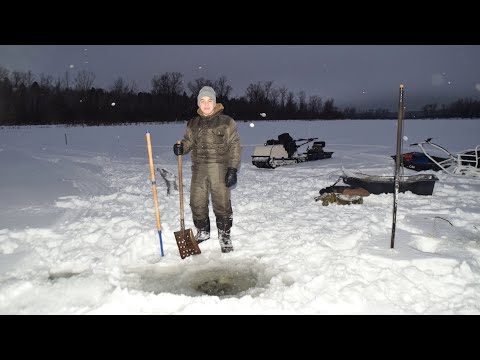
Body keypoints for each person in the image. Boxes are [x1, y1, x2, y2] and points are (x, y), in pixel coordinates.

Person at [173, 86, 241, 253]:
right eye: (202, 101)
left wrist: (232, 169)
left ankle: (224, 234)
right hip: (199, 168)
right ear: (199, 103)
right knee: (196, 201)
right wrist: (181, 147)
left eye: (209, 101)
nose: (206, 104)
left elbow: (235, 146)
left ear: (215, 102)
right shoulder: (193, 123)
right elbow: (188, 142)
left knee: (222, 202)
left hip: (220, 167)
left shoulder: (226, 122)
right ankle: (203, 231)